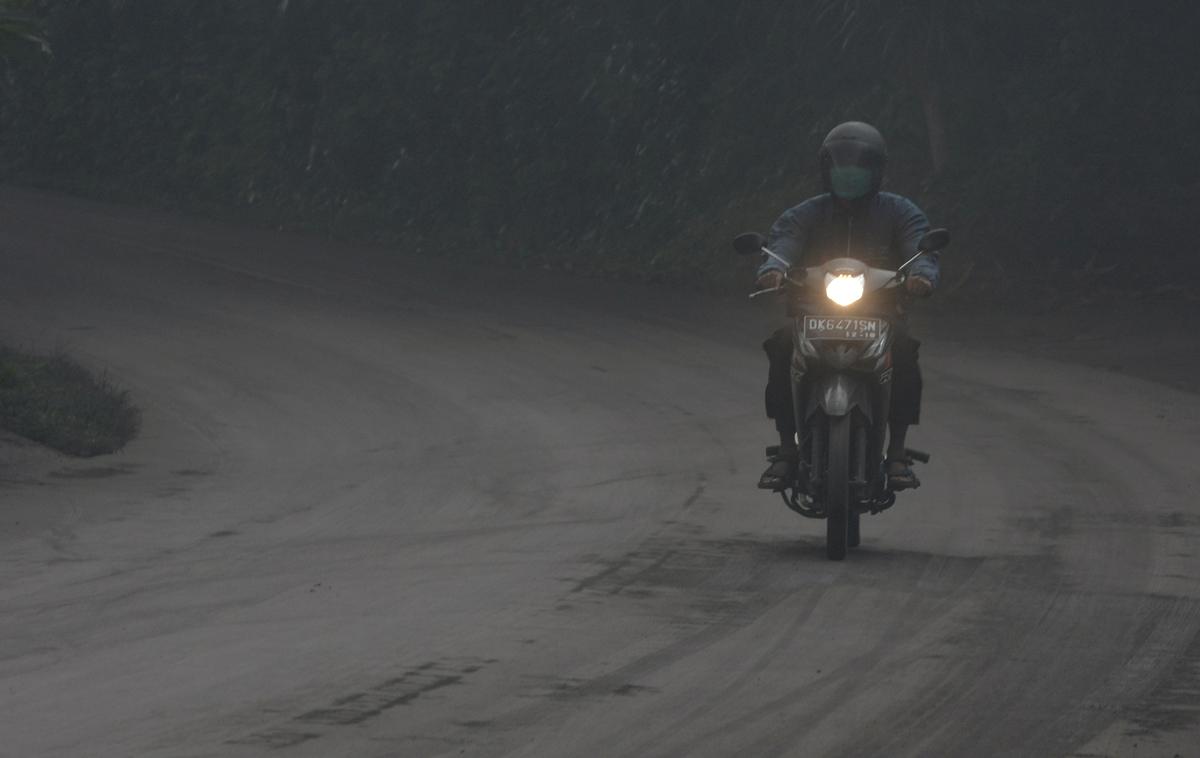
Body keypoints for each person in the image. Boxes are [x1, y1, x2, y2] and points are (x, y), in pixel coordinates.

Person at [756, 121, 940, 492]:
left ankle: (898, 452)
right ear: (826, 169)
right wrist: (773, 269)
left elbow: (921, 249)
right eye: (841, 164)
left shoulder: (899, 212)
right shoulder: (807, 214)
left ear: (877, 169)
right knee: (781, 347)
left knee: (903, 353)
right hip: (813, 313)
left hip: (881, 314)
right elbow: (783, 243)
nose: (849, 172)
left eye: (858, 165)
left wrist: (921, 276)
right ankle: (788, 449)